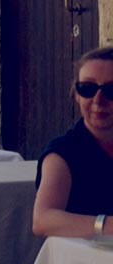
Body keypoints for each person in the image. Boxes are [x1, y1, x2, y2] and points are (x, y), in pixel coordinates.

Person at [32, 46, 113, 238]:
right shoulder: (63, 152)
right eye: (87, 89)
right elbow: (42, 220)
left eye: (111, 90)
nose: (98, 100)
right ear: (76, 94)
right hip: (83, 262)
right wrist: (107, 225)